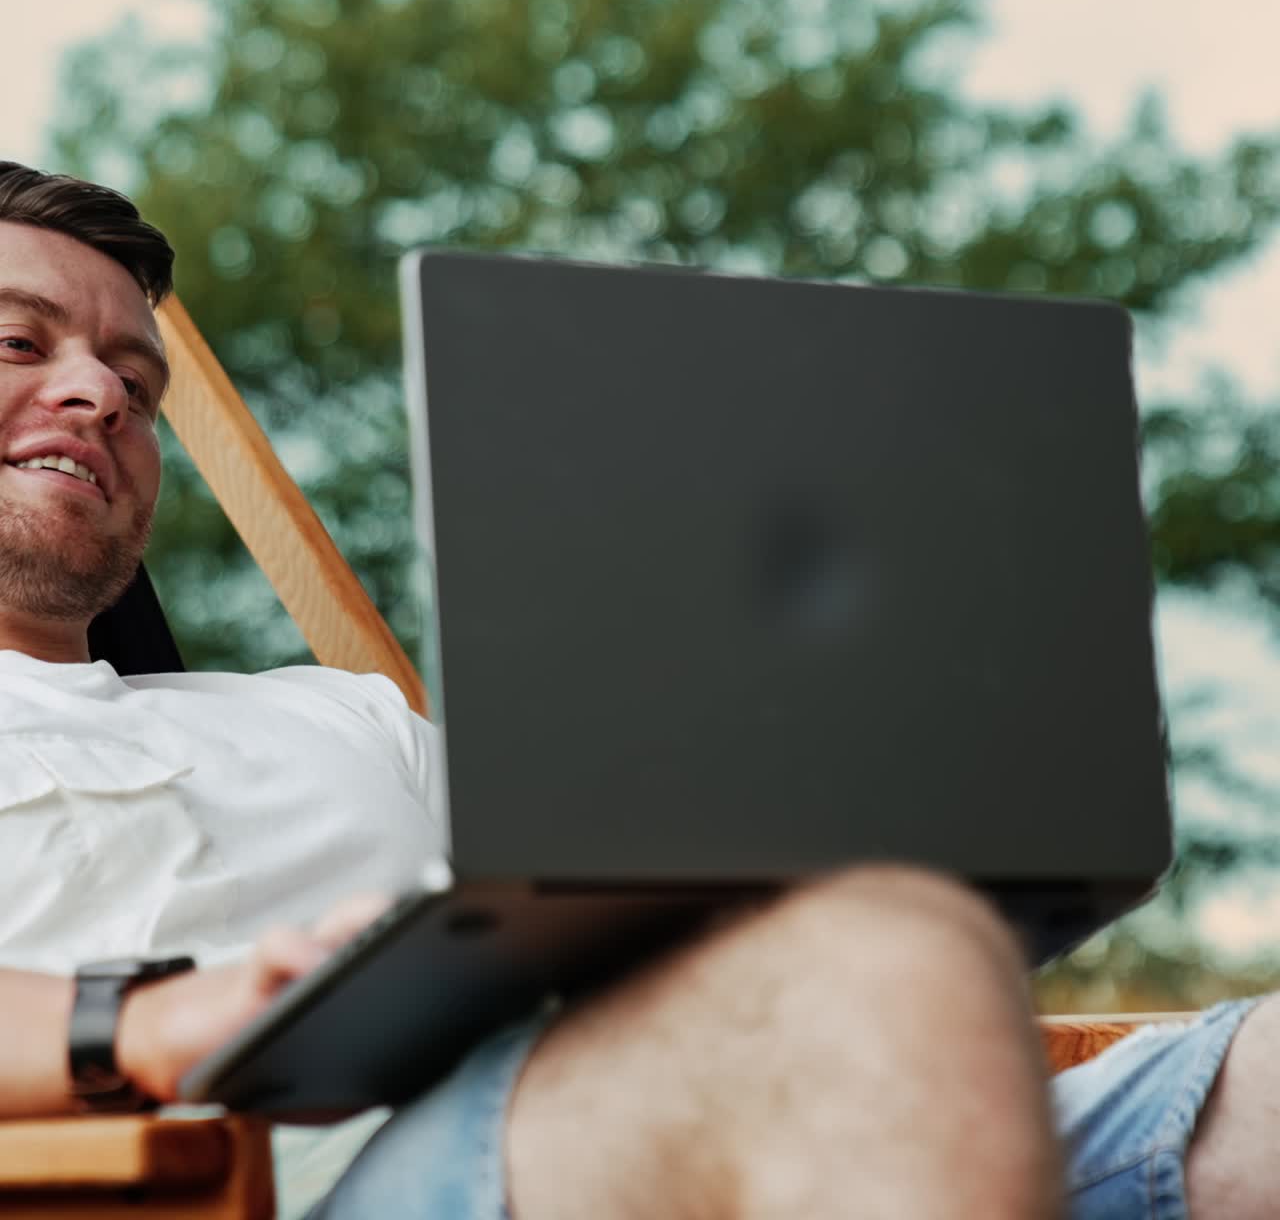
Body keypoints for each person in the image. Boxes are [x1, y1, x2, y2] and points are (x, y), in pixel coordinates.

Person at [0, 158, 1271, 1220]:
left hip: (688, 1124)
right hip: (275, 1185)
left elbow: (659, 904)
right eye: (19, 339)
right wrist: (153, 1023)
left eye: (137, 380)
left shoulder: (339, 716)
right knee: (876, 951)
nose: (102, 391)